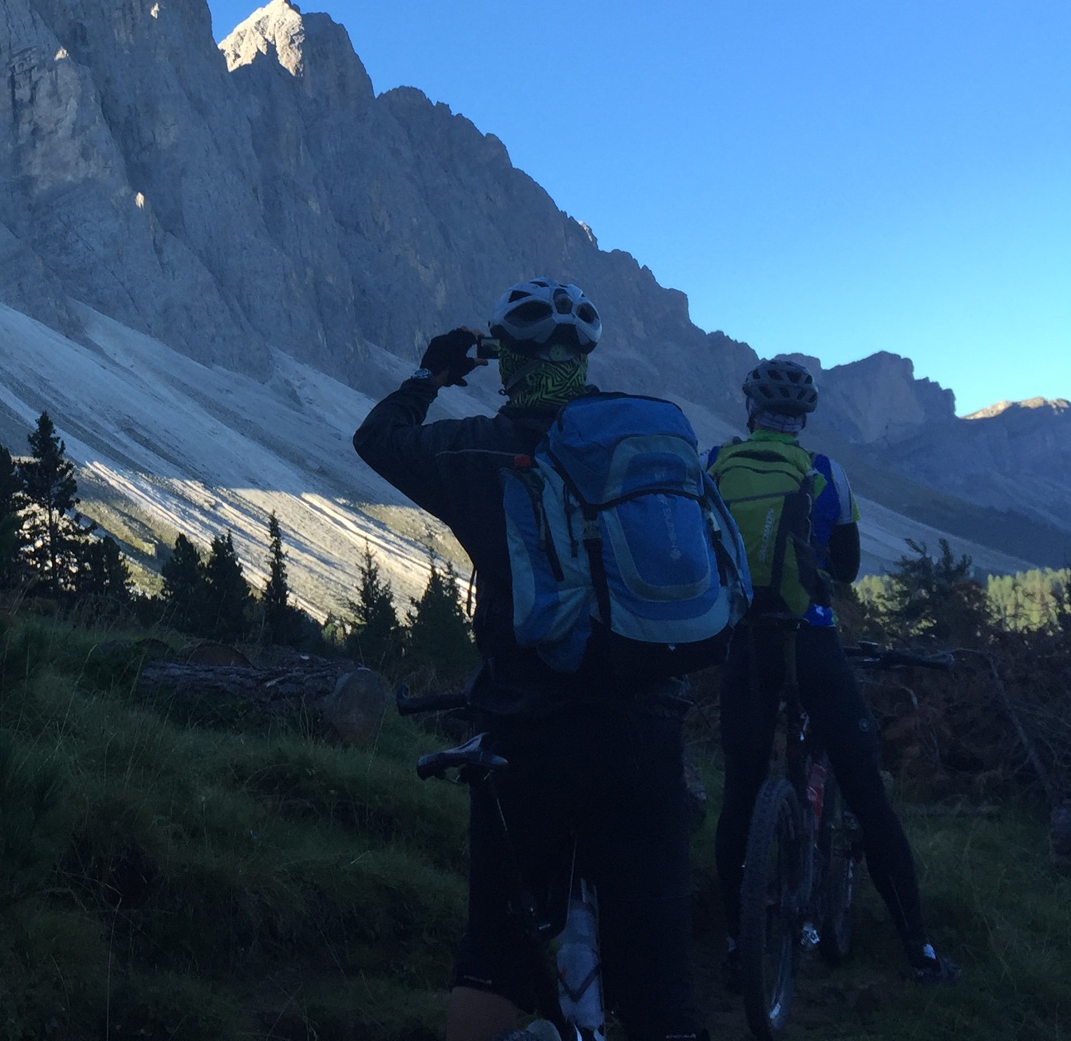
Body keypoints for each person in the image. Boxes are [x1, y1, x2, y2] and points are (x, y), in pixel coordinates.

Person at [354, 279, 709, 1041]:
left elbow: (377, 438)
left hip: (527, 728)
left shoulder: (481, 447)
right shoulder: (642, 441)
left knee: (495, 950)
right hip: (647, 724)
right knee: (663, 984)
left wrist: (433, 375)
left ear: (505, 356)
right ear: (583, 356)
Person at [709, 356, 960, 984]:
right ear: (803, 419)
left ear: (751, 410)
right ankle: (920, 952)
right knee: (865, 790)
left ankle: (737, 942)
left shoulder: (713, 463)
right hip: (811, 641)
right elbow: (846, 569)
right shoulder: (825, 473)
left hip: (744, 640)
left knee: (740, 790)